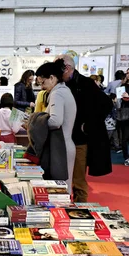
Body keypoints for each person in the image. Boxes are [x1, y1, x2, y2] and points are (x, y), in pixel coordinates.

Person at [55, 54, 113, 202]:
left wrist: (88, 126)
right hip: (63, 137)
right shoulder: (62, 84)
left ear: (67, 68)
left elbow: (106, 104)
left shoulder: (86, 84)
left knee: (78, 178)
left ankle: (81, 211)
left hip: (79, 139)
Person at [35, 60, 77, 192]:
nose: (42, 86)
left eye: (43, 82)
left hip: (60, 148)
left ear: (52, 78)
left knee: (60, 189)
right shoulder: (64, 91)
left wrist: (35, 123)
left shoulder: (57, 93)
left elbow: (55, 121)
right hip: (64, 144)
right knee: (64, 186)